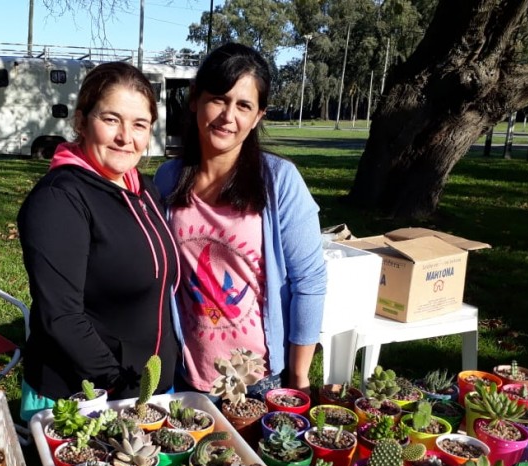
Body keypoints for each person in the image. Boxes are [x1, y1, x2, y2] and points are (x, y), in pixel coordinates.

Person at [154, 43, 326, 399]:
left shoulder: (279, 181)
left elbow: (309, 282)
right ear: (195, 100)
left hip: (260, 382)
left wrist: (298, 377)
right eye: (218, 98)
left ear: (258, 116)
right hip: (189, 373)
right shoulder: (167, 179)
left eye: (244, 105)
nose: (227, 116)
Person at [17, 62, 179, 420]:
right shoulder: (59, 199)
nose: (126, 136)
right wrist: (123, 386)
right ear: (80, 122)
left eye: (140, 124)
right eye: (111, 119)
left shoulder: (144, 189)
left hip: (148, 392)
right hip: (86, 399)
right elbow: (61, 316)